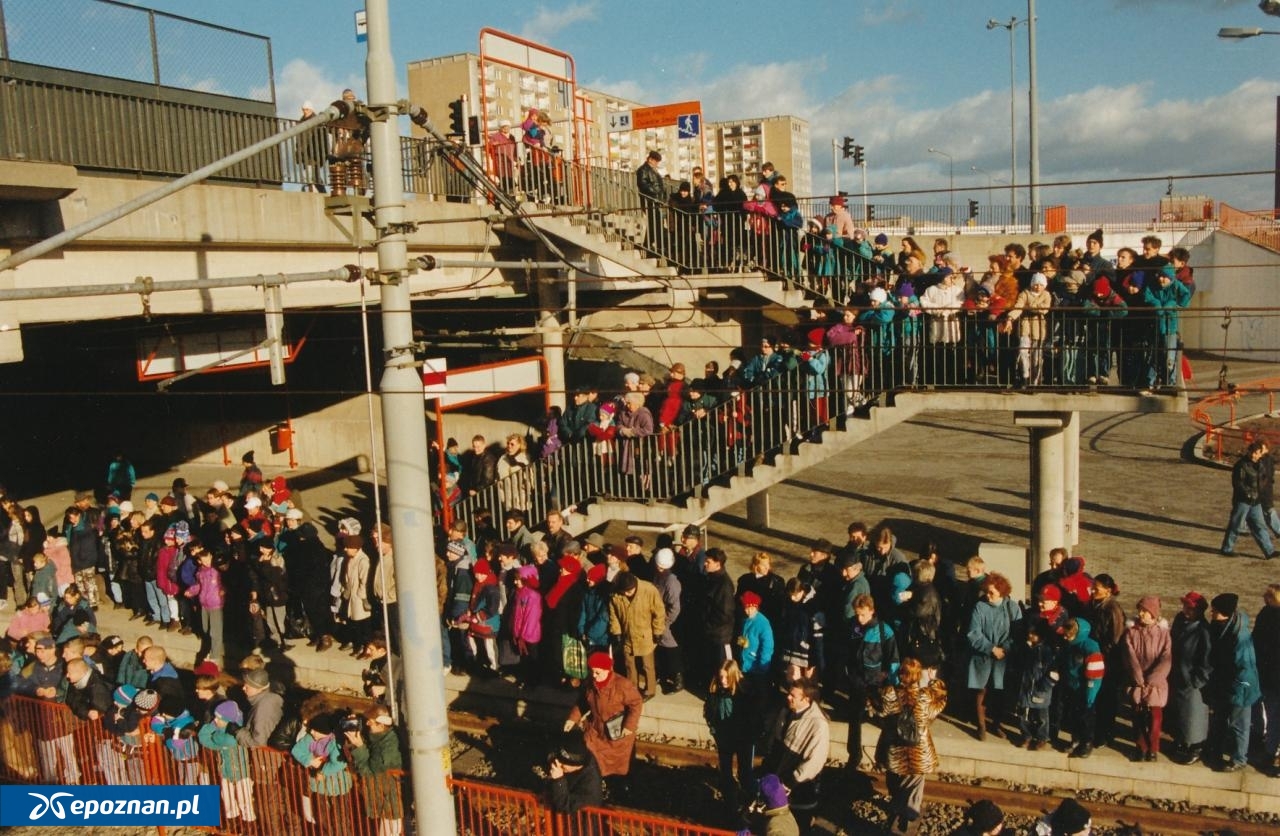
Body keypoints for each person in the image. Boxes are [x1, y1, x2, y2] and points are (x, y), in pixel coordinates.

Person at [868, 657, 947, 836]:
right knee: (915, 784)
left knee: (894, 780)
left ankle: (897, 805)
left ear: (900, 674)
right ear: (919, 675)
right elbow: (940, 701)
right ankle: (907, 814)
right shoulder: (925, 696)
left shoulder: (889, 693)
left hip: (895, 750)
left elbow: (878, 709)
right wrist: (934, 680)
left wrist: (879, 684)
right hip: (919, 750)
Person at [563, 651, 643, 797]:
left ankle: (621, 788)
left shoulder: (622, 685)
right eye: (592, 671)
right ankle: (599, 785)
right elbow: (583, 702)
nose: (594, 675)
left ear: (607, 670)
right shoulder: (591, 683)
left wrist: (629, 726)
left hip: (617, 734)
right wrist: (572, 718)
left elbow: (636, 703)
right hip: (596, 731)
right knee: (593, 758)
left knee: (619, 765)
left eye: (597, 672)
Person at [763, 677, 829, 833]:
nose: (788, 697)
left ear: (806, 699)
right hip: (781, 780)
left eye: (793, 695)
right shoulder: (787, 711)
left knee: (798, 825)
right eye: (789, 693)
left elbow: (814, 762)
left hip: (799, 788)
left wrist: (790, 782)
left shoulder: (818, 725)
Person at [1204, 592, 1261, 772]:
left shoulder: (1240, 637)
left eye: (1215, 611)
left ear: (1225, 613)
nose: (1211, 614)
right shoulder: (1221, 627)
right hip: (1225, 683)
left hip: (1241, 686)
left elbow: (1245, 667)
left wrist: (1239, 687)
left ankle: (1239, 759)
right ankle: (1216, 753)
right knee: (1221, 720)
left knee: (1239, 724)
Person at [966, 572, 1020, 740]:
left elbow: (1017, 633)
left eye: (992, 594)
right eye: (987, 592)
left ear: (1002, 593)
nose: (988, 596)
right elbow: (974, 633)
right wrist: (990, 648)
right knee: (981, 690)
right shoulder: (979, 607)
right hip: (983, 656)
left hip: (1003, 657)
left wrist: (1004, 649)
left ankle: (996, 723)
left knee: (999, 692)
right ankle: (981, 725)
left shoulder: (1012, 608)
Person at [1122, 595, 1172, 761]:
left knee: (1154, 718)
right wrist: (1137, 676)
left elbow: (1166, 658)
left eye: (1145, 611)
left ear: (1153, 614)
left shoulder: (1163, 634)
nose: (1141, 614)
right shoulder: (1131, 632)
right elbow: (1129, 655)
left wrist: (1152, 678)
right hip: (1137, 683)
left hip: (1155, 684)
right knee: (1137, 717)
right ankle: (1140, 747)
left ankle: (1153, 749)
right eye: (1140, 611)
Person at [1167, 591, 1212, 764]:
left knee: (1194, 716)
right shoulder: (1180, 620)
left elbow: (1207, 660)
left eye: (1190, 608)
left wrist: (1197, 680)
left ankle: (1195, 746)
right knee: (1180, 714)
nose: (1186, 610)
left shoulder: (1203, 630)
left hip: (1192, 682)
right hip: (1178, 676)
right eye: (1185, 606)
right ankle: (1182, 741)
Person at [608, 571, 665, 700]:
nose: (627, 594)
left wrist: (658, 631)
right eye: (625, 591)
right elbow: (614, 615)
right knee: (629, 665)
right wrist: (616, 631)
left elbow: (659, 612)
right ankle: (632, 688)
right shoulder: (615, 594)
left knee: (647, 665)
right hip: (627, 636)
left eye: (630, 591)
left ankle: (650, 690)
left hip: (645, 635)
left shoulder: (649, 590)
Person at [348, 707, 404, 836]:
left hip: (389, 801)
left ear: (381, 724)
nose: (367, 724)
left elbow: (368, 772)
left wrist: (359, 747)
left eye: (370, 722)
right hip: (385, 796)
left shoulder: (387, 750)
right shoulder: (381, 736)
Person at [1221, 440, 1277, 558]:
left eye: (1256, 453)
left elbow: (1264, 479)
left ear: (1260, 453)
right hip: (1243, 501)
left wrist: (1260, 492)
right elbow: (1238, 483)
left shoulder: (1261, 464)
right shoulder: (1241, 465)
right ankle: (1227, 548)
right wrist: (1248, 494)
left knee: (1260, 525)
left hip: (1256, 501)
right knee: (1236, 525)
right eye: (1252, 452)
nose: (1254, 455)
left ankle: (1269, 550)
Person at [546, 729, 604, 816]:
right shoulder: (582, 755)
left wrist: (559, 781)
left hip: (578, 824)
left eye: (562, 763)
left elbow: (565, 806)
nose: (557, 763)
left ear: (575, 765)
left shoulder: (591, 786)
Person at [1254, 583, 1280, 774]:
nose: (1264, 597)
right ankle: (1271, 751)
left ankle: (1272, 753)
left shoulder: (1267, 615)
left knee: (1273, 716)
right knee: (1273, 716)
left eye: (1269, 596)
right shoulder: (1265, 614)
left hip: (1271, 674)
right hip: (1269, 676)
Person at [636, 150, 667, 251]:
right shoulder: (643, 170)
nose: (657, 164)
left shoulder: (653, 170)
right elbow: (643, 185)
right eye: (656, 161)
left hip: (655, 200)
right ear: (650, 159)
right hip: (649, 200)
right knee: (654, 222)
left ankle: (649, 243)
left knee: (656, 222)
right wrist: (656, 192)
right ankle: (649, 244)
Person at [486, 119, 519, 195]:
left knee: (510, 175)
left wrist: (516, 158)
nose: (506, 129)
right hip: (500, 159)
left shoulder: (511, 137)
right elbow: (489, 146)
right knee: (502, 175)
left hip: (509, 158)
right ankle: (504, 192)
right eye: (504, 127)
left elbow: (515, 149)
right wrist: (493, 144)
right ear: (501, 128)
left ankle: (510, 192)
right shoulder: (496, 136)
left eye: (508, 127)